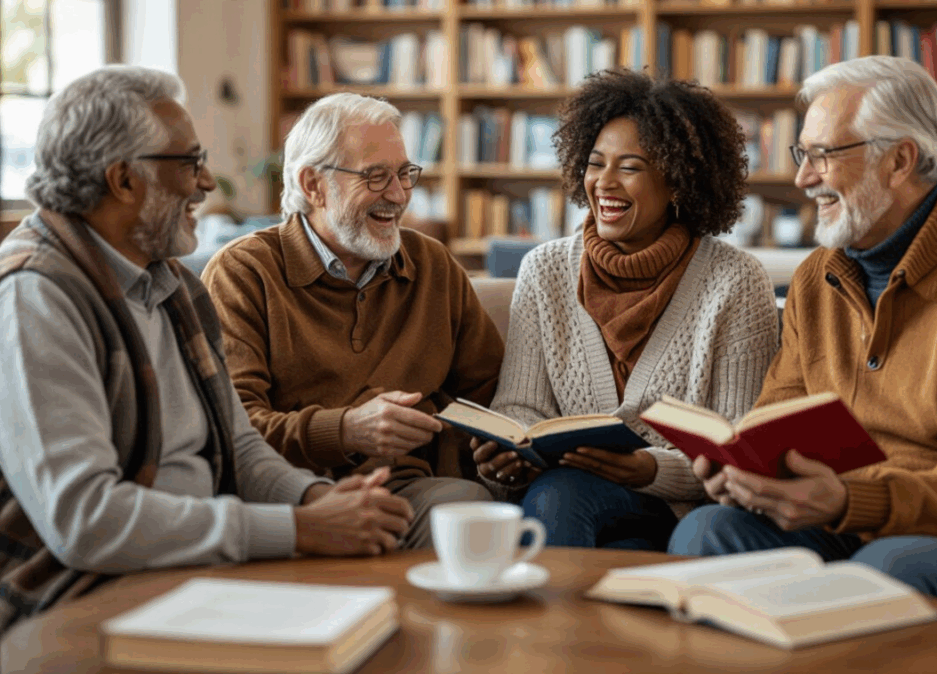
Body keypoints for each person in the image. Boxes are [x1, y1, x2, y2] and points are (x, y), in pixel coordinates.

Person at [0, 66, 414, 637]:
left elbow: (237, 445)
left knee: (385, 627)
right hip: (77, 589)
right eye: (189, 163)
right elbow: (86, 522)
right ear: (123, 180)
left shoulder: (174, 284)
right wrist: (298, 529)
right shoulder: (33, 296)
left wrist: (320, 498)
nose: (208, 183)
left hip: (197, 565)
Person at [667, 55, 937, 617]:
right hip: (838, 520)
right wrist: (743, 472)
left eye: (823, 155)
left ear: (900, 160)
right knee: (706, 533)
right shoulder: (817, 277)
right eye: (802, 155)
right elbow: (775, 420)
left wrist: (854, 498)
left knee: (882, 574)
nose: (803, 178)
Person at [471, 69, 780, 549]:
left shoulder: (735, 282)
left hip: (684, 510)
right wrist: (507, 456)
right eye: (595, 164)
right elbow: (520, 406)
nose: (604, 183)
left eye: (630, 167)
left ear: (678, 180)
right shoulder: (544, 270)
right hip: (568, 497)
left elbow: (739, 447)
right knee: (562, 496)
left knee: (561, 498)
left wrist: (650, 468)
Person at [201, 92, 504, 549]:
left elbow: (488, 393)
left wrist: (500, 445)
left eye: (405, 174)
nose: (399, 196)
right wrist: (346, 429)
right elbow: (234, 427)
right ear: (313, 185)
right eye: (376, 177)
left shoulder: (433, 266)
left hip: (405, 491)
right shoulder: (243, 273)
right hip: (289, 496)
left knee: (465, 507)